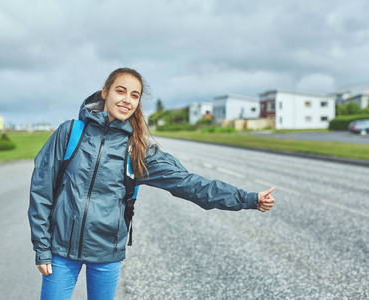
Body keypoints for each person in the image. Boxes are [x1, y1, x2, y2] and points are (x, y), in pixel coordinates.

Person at [28, 67, 275, 300]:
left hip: (106, 255)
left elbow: (190, 184)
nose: (127, 99)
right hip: (60, 252)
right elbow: (42, 190)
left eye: (134, 95)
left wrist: (248, 199)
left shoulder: (138, 150)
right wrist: (42, 247)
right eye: (120, 90)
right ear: (105, 92)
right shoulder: (70, 132)